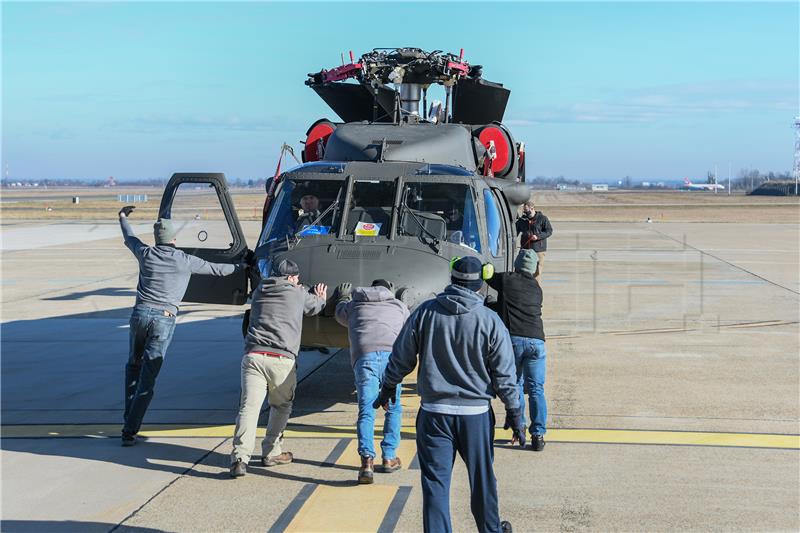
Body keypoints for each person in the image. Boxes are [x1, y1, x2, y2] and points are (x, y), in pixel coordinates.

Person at [376, 257, 524, 533]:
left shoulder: (425, 313)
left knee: (435, 484)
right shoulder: (490, 321)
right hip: (475, 416)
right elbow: (505, 374)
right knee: (482, 480)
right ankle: (491, 529)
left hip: (434, 414)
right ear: (479, 284)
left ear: (452, 281)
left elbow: (401, 356)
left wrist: (387, 386)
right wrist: (515, 413)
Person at [118, 206, 243, 447]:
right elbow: (219, 270)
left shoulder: (146, 253)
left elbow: (129, 237)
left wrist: (122, 217)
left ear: (157, 239)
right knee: (148, 378)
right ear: (174, 238)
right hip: (164, 319)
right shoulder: (185, 260)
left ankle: (128, 424)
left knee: (133, 366)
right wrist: (242, 266)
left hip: (140, 315)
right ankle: (130, 428)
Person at [230, 259, 327, 478]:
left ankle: (239, 458)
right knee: (281, 406)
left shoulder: (259, 292)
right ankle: (271, 452)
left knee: (249, 408)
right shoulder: (297, 293)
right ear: (292, 278)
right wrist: (320, 296)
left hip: (253, 356)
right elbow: (316, 308)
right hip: (281, 359)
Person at [334, 279, 409, 484]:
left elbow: (339, 314)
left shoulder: (355, 305)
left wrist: (343, 297)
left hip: (364, 357)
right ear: (389, 290)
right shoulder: (399, 306)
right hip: (391, 360)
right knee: (393, 408)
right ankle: (389, 457)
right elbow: (407, 325)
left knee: (366, 410)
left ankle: (366, 462)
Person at [487, 249, 548, 451]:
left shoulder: (507, 279)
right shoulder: (537, 288)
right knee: (536, 389)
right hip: (537, 341)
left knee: (516, 385)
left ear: (516, 264)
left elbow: (486, 275)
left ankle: (518, 428)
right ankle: (538, 435)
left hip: (514, 341)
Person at [515, 201, 553, 280]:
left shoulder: (542, 219)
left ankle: (535, 289)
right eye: (524, 211)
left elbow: (549, 231)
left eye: (527, 210)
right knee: (521, 270)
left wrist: (538, 236)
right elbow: (515, 232)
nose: (525, 213)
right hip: (525, 249)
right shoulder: (522, 220)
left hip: (538, 250)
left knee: (537, 272)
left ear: (532, 209)